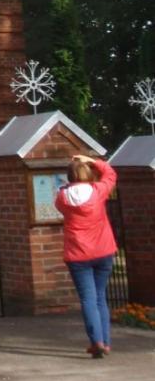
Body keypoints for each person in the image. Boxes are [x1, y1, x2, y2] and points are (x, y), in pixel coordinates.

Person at [54, 153, 118, 358]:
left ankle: (96, 341)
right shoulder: (98, 191)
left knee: (88, 299)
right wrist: (92, 161)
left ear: (69, 177)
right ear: (88, 173)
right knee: (100, 298)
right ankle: (105, 342)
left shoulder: (62, 197)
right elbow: (110, 173)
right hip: (103, 250)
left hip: (78, 254)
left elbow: (60, 201)